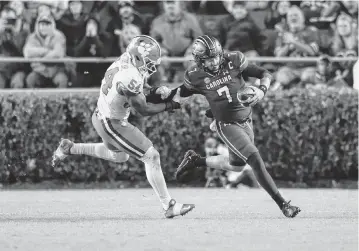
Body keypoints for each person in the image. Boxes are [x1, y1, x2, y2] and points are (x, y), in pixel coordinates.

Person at [152, 35, 301, 218]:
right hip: (226, 124)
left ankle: (196, 160)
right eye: (209, 59)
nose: (214, 62)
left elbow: (265, 73)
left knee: (236, 166)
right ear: (200, 60)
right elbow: (179, 94)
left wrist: (262, 91)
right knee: (254, 159)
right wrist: (162, 93)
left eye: (216, 57)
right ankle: (283, 204)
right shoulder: (195, 75)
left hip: (246, 119)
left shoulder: (234, 59)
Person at [51, 35, 195, 219]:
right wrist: (169, 105)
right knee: (152, 157)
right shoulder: (129, 76)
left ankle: (71, 148)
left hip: (102, 116)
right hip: (112, 122)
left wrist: (155, 91)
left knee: (120, 156)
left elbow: (140, 88)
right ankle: (168, 205)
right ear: (137, 57)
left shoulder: (127, 60)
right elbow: (142, 108)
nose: (152, 66)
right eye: (148, 62)